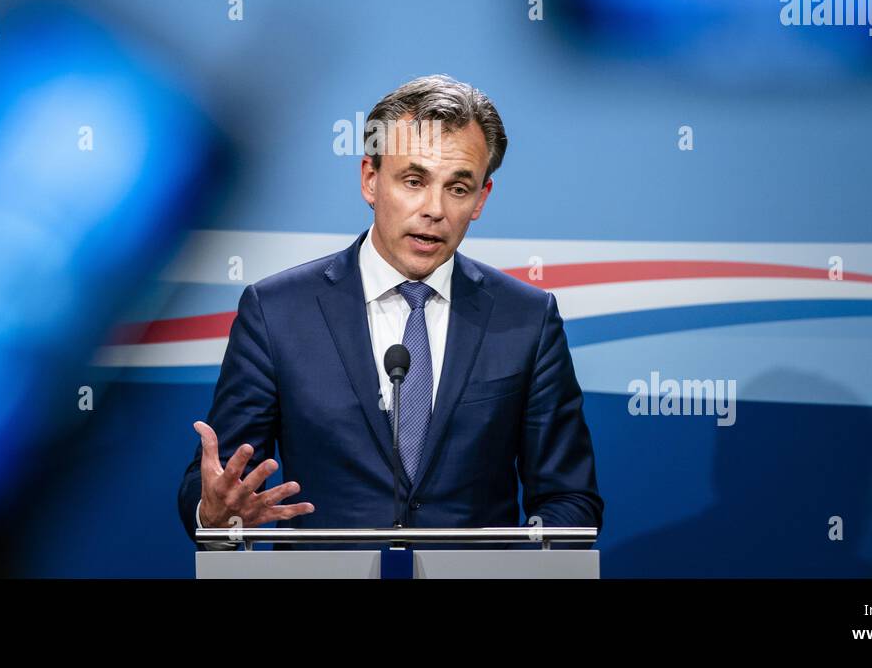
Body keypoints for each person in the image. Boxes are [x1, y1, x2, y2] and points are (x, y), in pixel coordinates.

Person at [177, 74, 603, 550]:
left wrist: (531, 558)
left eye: (458, 188)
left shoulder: (527, 318)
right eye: (414, 181)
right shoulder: (277, 311)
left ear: (481, 198)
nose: (434, 209)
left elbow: (570, 498)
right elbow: (218, 483)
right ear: (370, 179)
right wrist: (214, 516)